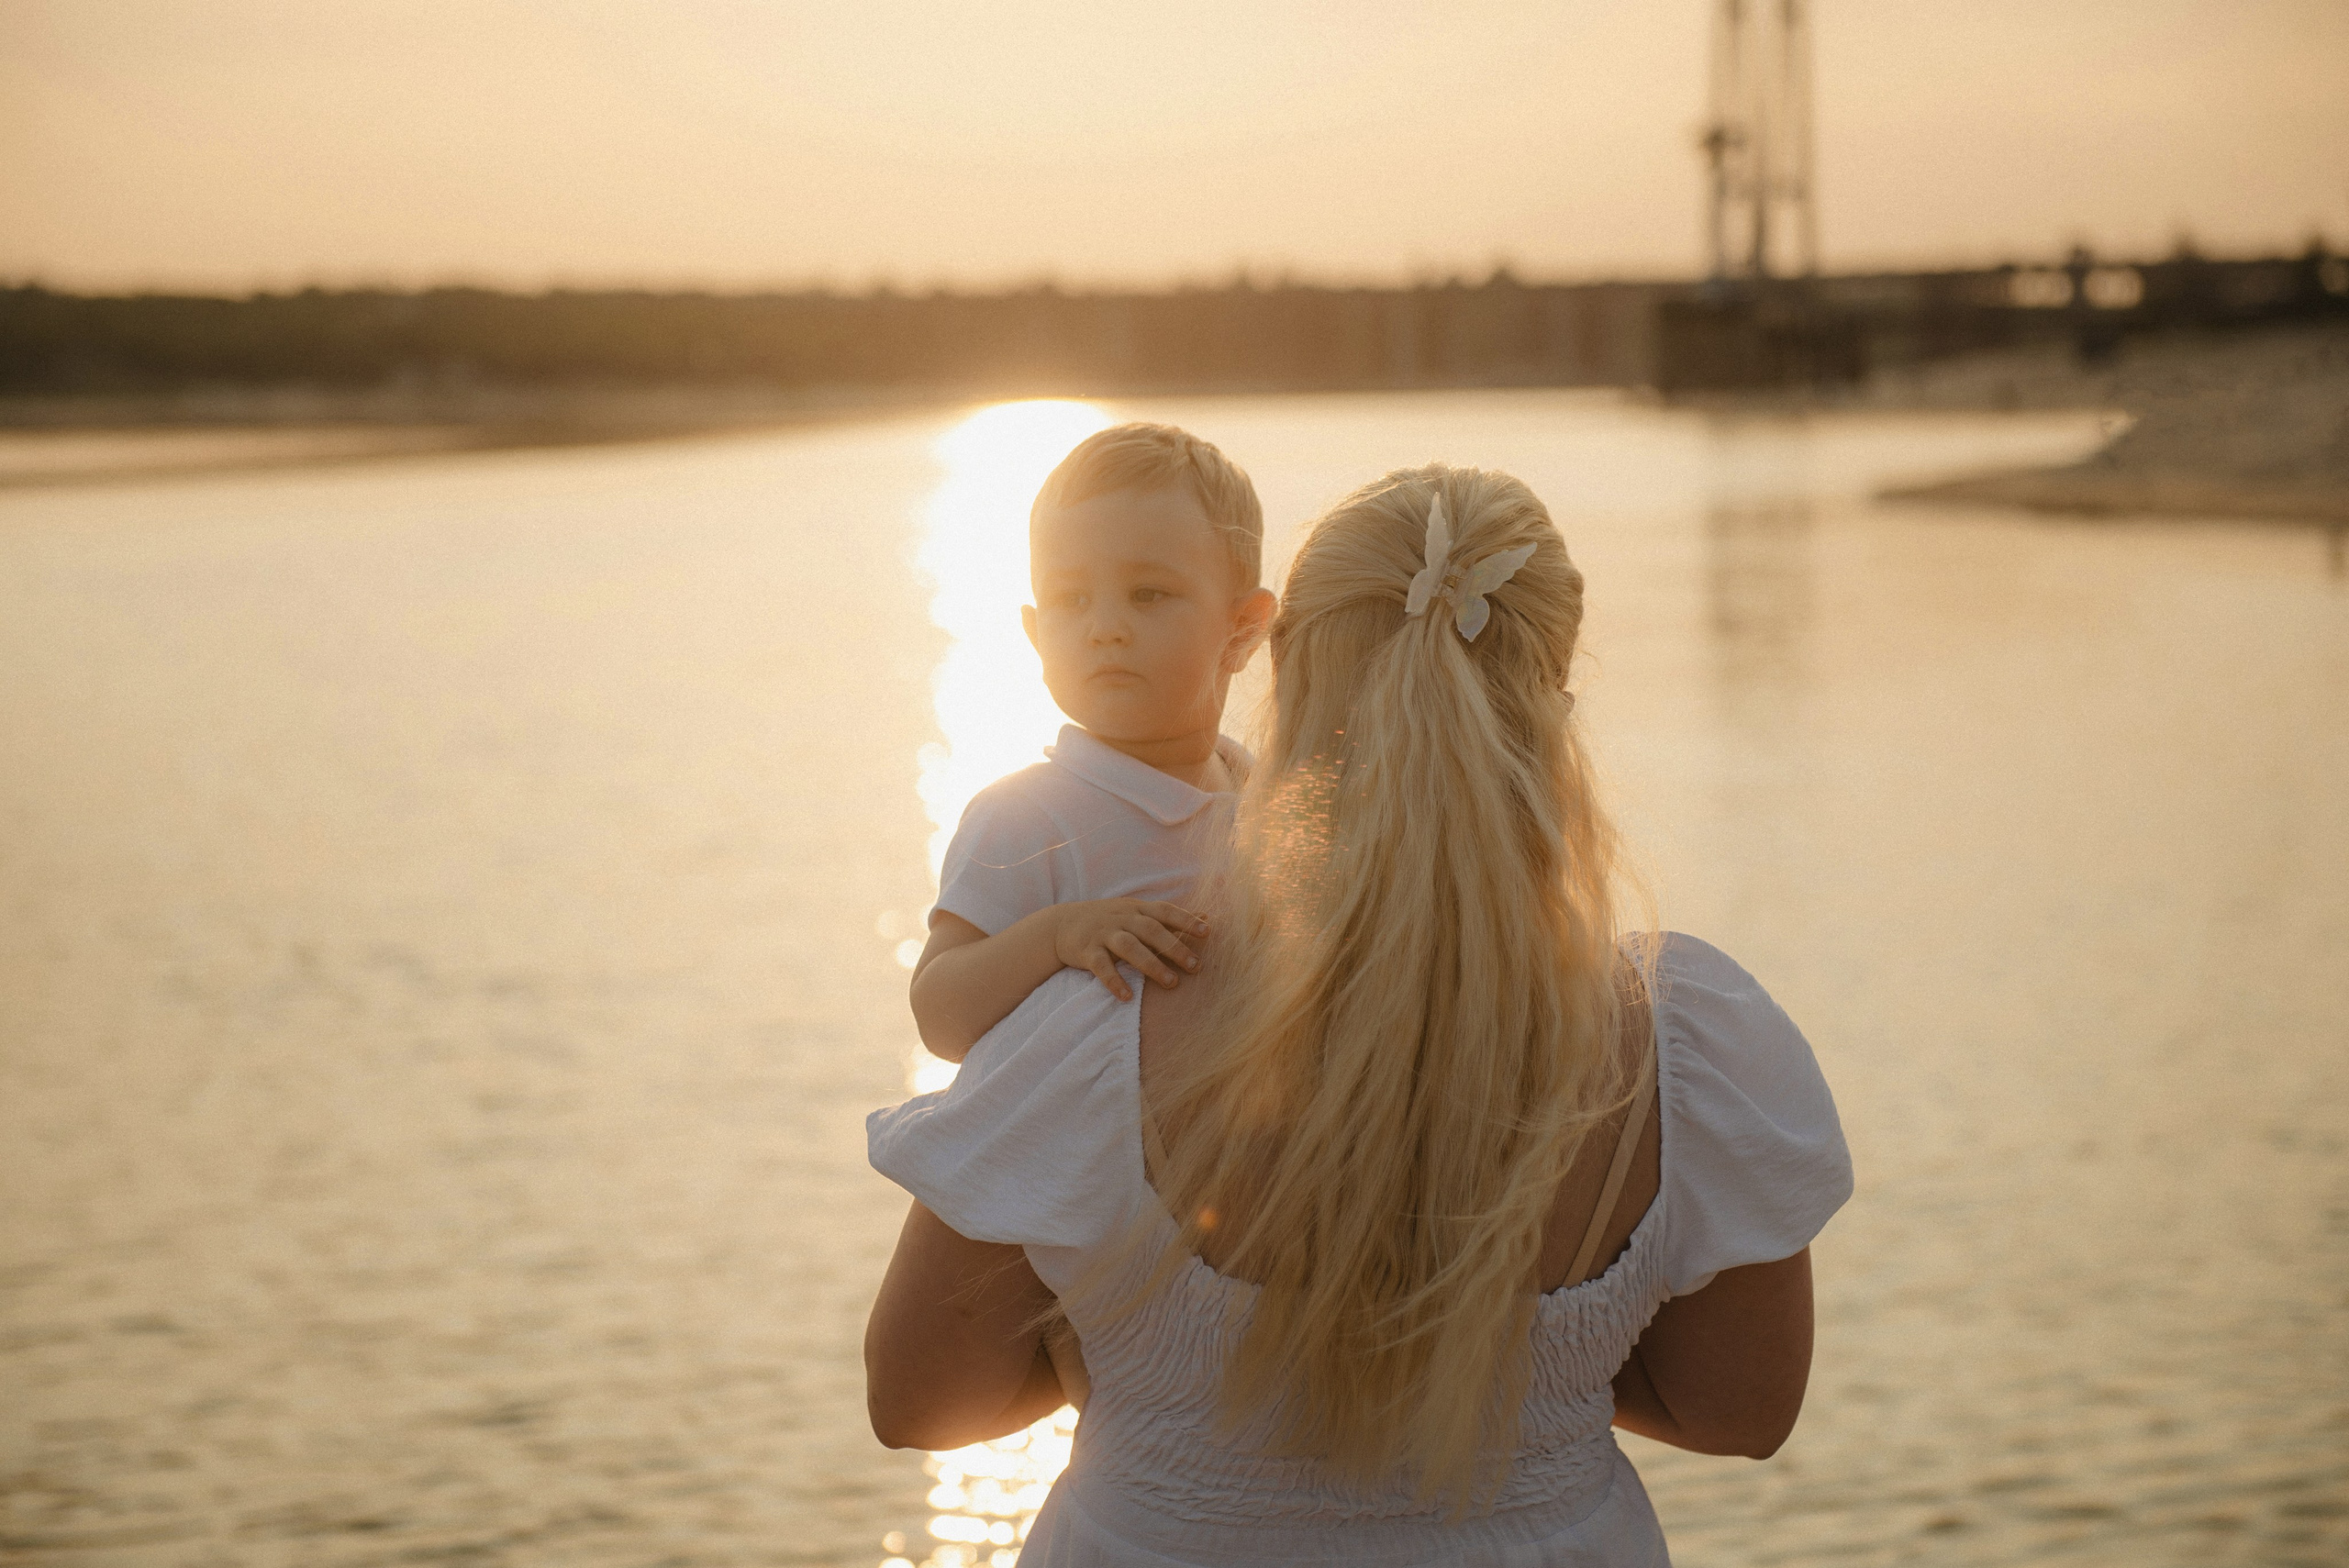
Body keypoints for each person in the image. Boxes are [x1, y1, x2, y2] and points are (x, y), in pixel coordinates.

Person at [867, 464, 1853, 1564]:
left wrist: (1126, 1338)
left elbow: (922, 1400)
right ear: (1553, 689)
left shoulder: (1087, 1025)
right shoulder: (1681, 1044)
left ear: (1280, 667)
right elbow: (1739, 1410)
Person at [908, 421, 1276, 1064]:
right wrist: (1056, 935)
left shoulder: (1269, 796)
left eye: (1147, 593)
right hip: (1091, 1160)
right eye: (1071, 598)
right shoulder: (1027, 816)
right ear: (1033, 631)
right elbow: (940, 1017)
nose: (1105, 627)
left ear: (1242, 629)